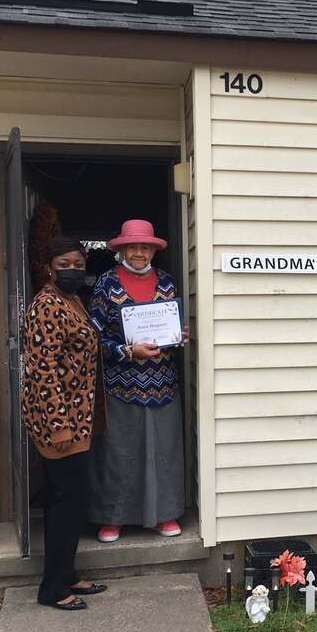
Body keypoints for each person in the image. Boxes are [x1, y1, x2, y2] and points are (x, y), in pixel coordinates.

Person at [88, 219, 188, 543]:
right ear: (122, 250)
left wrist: (179, 336)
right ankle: (113, 518)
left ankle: (165, 514)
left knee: (163, 450)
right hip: (120, 384)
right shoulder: (106, 284)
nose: (139, 253)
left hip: (162, 383)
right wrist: (127, 351)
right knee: (119, 454)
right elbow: (93, 339)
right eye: (133, 247)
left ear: (153, 251)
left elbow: (173, 327)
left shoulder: (168, 284)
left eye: (145, 247)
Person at [21, 236, 107, 610]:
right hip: (60, 422)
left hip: (78, 419)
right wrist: (58, 426)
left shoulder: (69, 300)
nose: (72, 269)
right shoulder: (45, 306)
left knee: (74, 500)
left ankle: (67, 573)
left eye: (78, 263)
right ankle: (52, 588)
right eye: (64, 264)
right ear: (49, 267)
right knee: (65, 503)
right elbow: (43, 373)